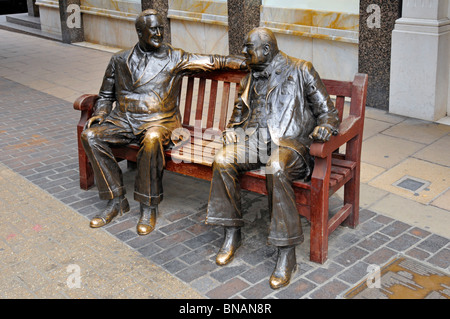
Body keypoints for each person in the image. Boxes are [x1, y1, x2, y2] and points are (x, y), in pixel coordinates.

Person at [81, 9, 245, 236]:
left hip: (160, 121)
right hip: (124, 119)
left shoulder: (174, 56)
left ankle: (148, 206)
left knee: (152, 138)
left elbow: (213, 61)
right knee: (91, 136)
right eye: (153, 29)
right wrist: (100, 113)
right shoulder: (119, 60)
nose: (159, 33)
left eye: (161, 28)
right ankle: (116, 199)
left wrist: (245, 62)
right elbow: (106, 95)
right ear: (139, 32)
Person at [205, 27, 340, 289]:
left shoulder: (301, 69)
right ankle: (232, 234)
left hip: (289, 144)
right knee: (222, 160)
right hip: (254, 141)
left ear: (266, 50)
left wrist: (324, 127)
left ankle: (286, 253)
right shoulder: (249, 78)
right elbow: (236, 117)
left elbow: (329, 112)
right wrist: (231, 131)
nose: (243, 53)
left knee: (275, 166)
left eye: (248, 48)